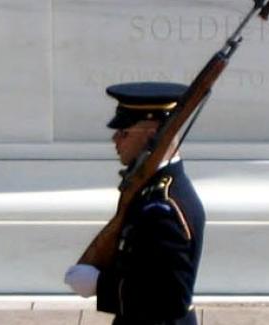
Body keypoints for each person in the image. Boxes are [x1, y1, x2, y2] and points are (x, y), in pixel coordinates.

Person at [64, 82, 206, 325]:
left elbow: (171, 299)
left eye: (124, 133)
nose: (115, 139)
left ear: (151, 137)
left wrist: (100, 285)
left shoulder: (163, 207)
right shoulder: (151, 189)